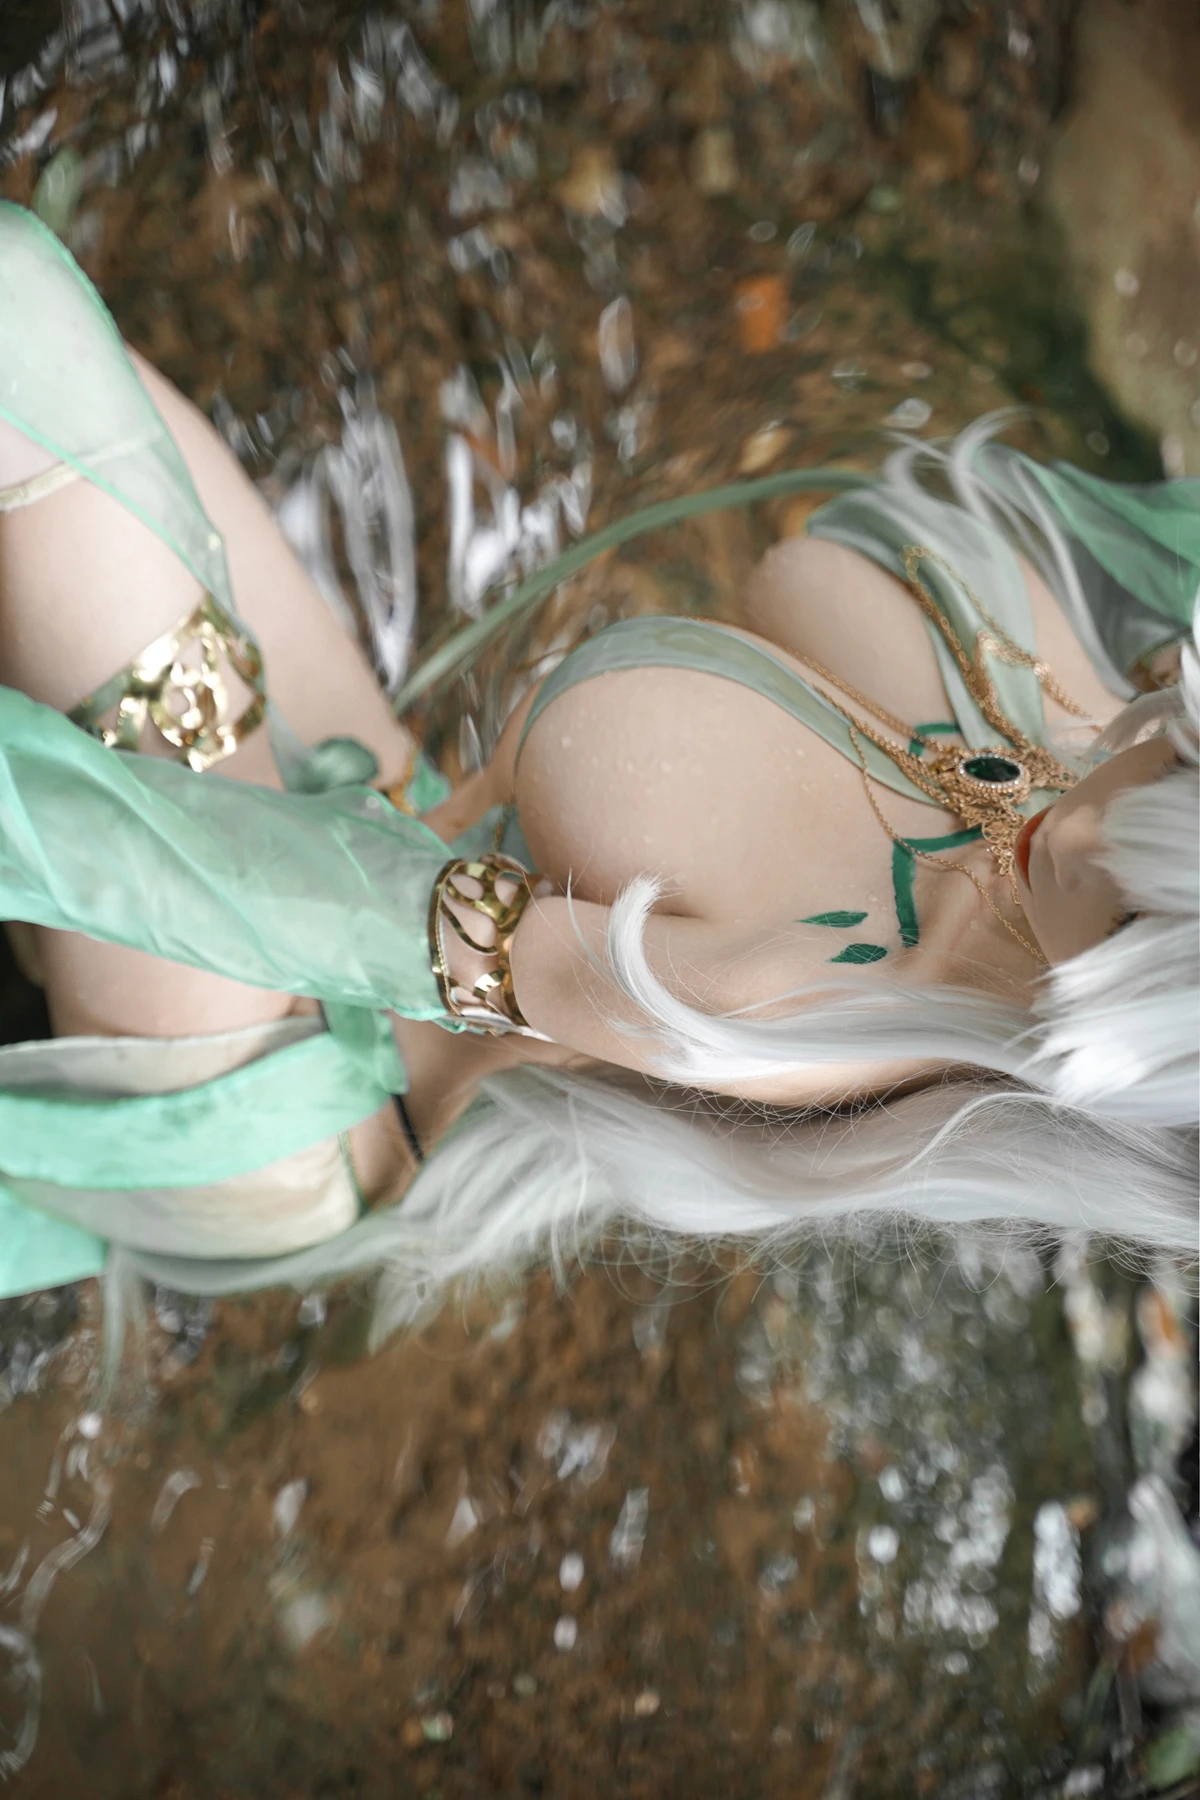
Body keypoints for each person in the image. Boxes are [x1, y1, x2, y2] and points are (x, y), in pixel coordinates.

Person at [0, 201, 1194, 1351]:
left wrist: (32, 804)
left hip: (296, 1039)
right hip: (387, 808)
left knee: (21, 313)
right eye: (1168, 772)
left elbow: (310, 910)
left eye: (1128, 916)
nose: (1077, 841)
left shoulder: (802, 1004)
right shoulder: (1103, 708)